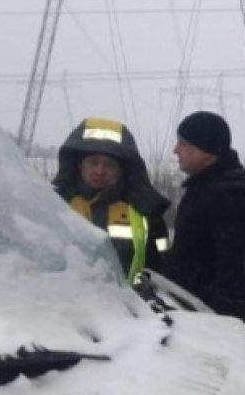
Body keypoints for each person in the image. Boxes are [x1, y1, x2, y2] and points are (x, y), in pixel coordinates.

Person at [163, 111, 245, 335]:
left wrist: (216, 317)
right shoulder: (204, 187)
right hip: (200, 312)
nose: (175, 149)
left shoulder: (233, 194)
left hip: (221, 319)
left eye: (183, 143)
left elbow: (236, 268)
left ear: (207, 152)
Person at [53, 117, 170, 283]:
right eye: (93, 163)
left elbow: (162, 270)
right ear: (79, 165)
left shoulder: (146, 213)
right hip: (63, 306)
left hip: (128, 307)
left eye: (109, 164)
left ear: (122, 169)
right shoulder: (55, 206)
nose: (100, 171)